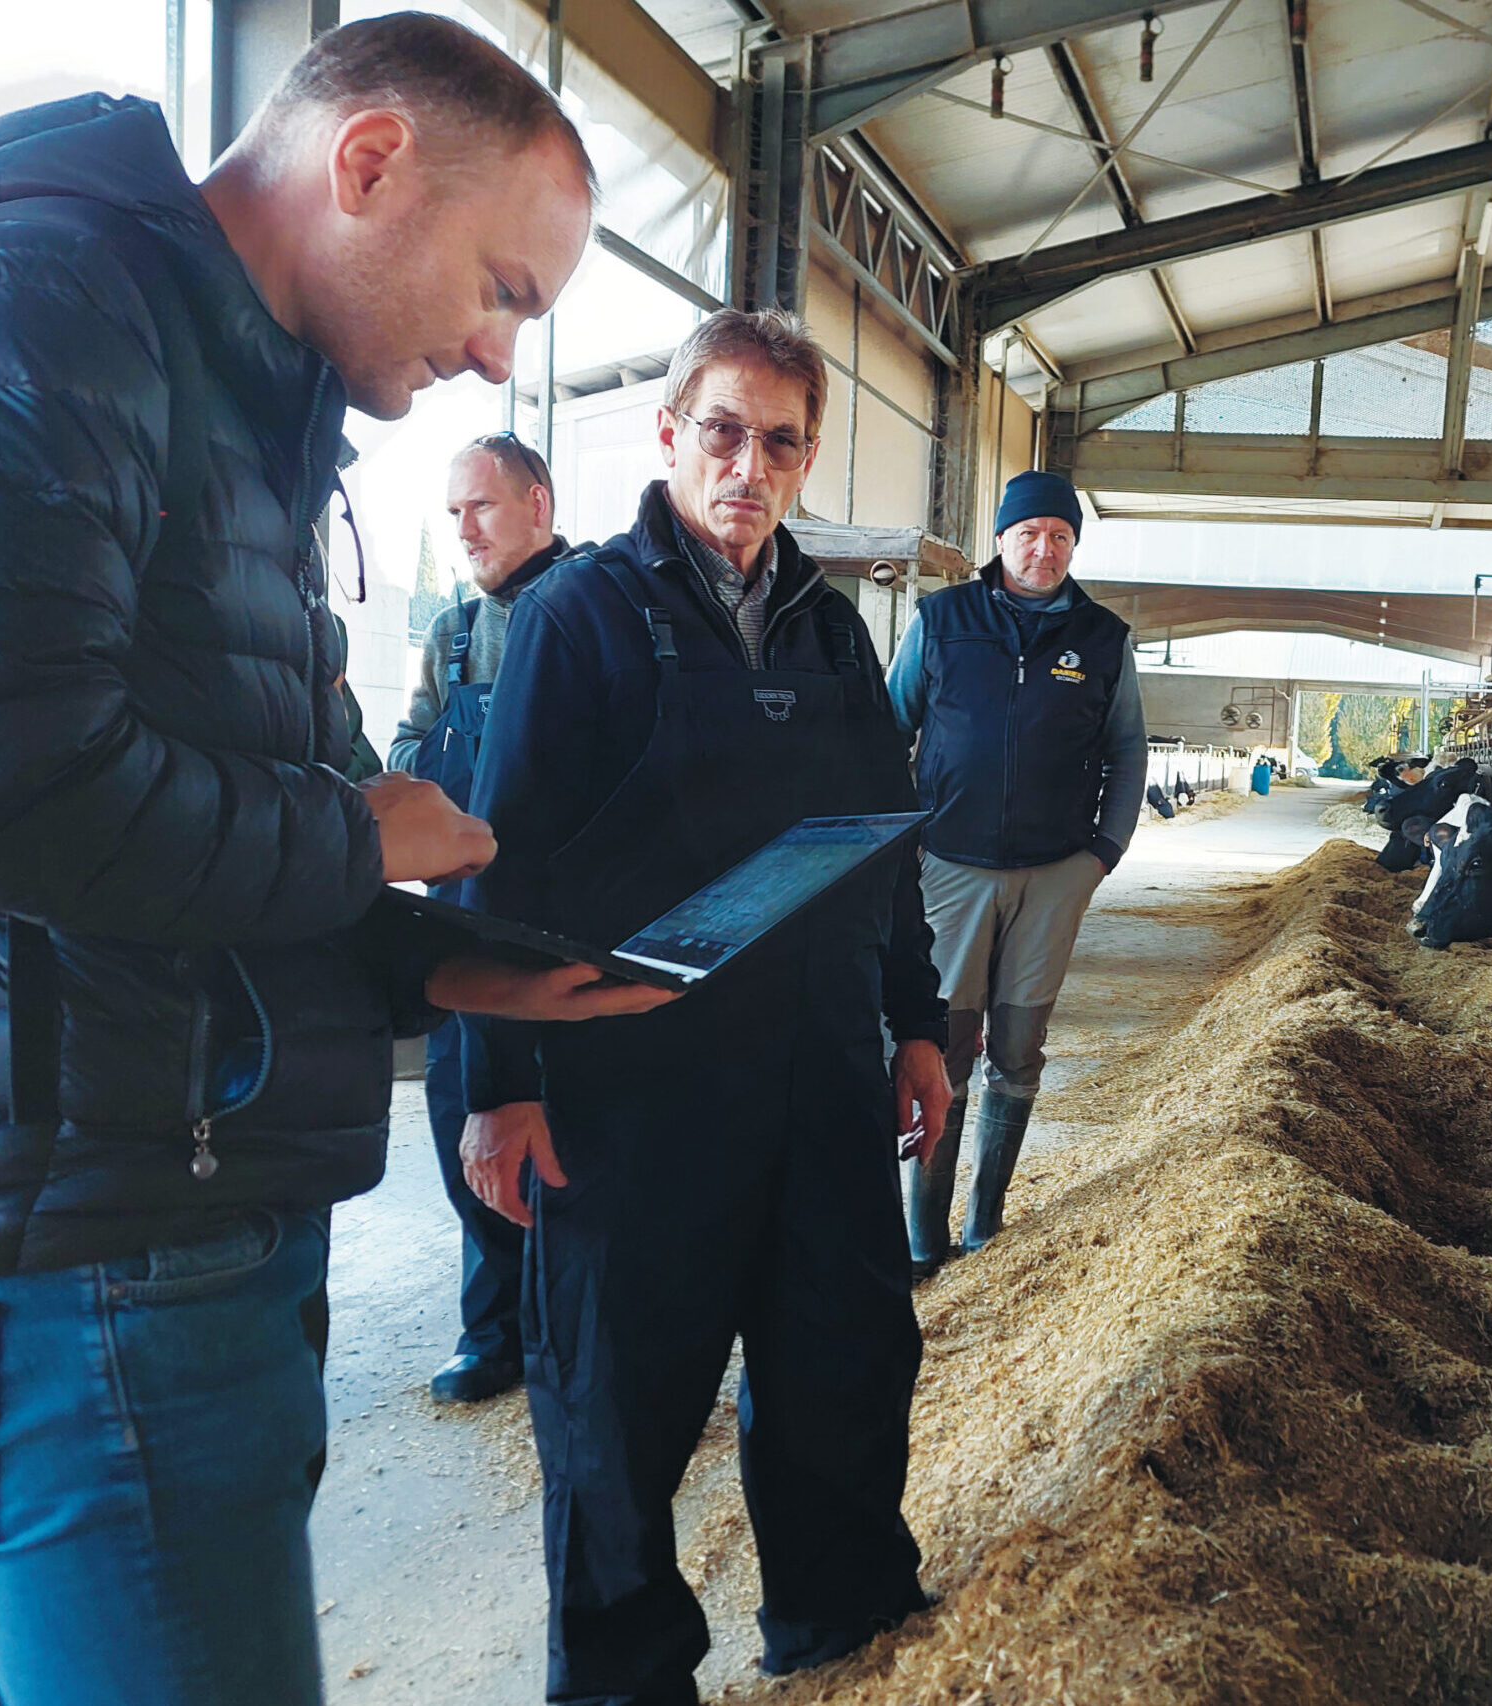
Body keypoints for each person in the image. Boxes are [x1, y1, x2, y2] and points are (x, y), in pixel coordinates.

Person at [0, 18, 674, 1706]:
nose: (499, 355)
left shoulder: (239, 394)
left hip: (150, 1212)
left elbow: (205, 831)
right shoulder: (41, 302)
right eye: (503, 287)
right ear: (369, 163)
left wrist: (440, 960)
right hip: (89, 1250)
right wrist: (356, 835)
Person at [457, 309, 953, 1700]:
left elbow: (882, 841)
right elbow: (508, 860)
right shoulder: (583, 617)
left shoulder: (836, 636)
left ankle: (843, 1627)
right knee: (616, 1410)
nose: (750, 466)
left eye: (782, 443)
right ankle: (623, 1676)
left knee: (843, 1364)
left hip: (815, 1077)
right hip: (636, 1091)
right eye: (724, 431)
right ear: (671, 430)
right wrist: (497, 1084)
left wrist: (914, 1021)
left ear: (806, 460)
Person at [888, 470, 1147, 1279]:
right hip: (950, 873)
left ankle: (984, 1224)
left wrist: (1101, 853)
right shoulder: (942, 621)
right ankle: (924, 1237)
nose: (1044, 548)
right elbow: (889, 730)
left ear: (1074, 546)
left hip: (1053, 875)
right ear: (999, 539)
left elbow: (1128, 750)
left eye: (1061, 536)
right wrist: (902, 850)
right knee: (943, 1044)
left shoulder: (1103, 639)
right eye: (1029, 532)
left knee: (1021, 1046)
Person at [390, 432, 567, 1403]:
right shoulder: (451, 634)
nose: (463, 530)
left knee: (562, 1142)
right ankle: (491, 1330)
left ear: (538, 503)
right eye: (453, 512)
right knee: (466, 1131)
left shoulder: (598, 608)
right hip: (462, 932)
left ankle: (560, 1332)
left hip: (557, 934)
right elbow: (409, 750)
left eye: (482, 508)